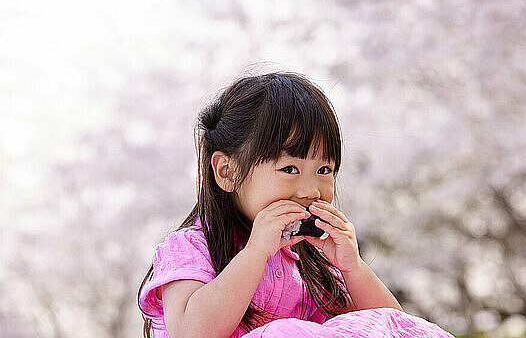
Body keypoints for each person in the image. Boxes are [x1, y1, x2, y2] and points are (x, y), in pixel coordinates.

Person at [137, 66, 454, 338]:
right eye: (290, 168)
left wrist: (351, 266)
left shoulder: (310, 262)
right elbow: (192, 332)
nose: (310, 189)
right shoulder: (192, 248)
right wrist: (256, 253)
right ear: (227, 171)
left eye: (324, 169)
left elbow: (393, 327)